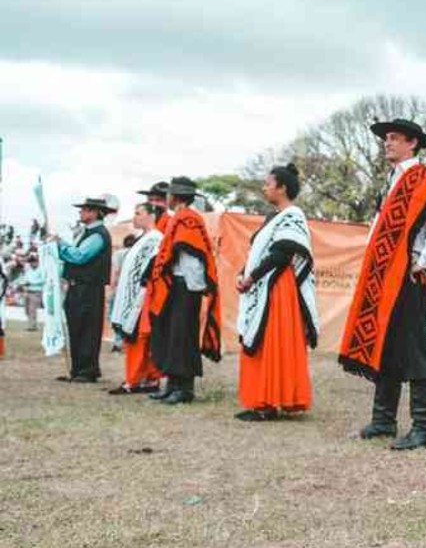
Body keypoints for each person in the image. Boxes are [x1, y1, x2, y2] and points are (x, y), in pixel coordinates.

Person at [339, 119, 426, 450]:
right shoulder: (395, 180)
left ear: (412, 143)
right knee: (386, 345)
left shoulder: (425, 181)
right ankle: (383, 420)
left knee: (413, 347)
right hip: (385, 278)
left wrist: (424, 261)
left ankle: (422, 428)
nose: (387, 143)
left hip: (406, 278)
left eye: (394, 138)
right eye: (386, 138)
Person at [234, 164, 320, 421]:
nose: (264, 188)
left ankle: (269, 401)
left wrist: (251, 277)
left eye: (267, 184)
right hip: (264, 284)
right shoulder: (274, 217)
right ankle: (263, 399)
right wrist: (244, 272)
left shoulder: (293, 215)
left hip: (277, 287)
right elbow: (259, 254)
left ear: (282, 188)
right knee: (262, 339)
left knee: (272, 341)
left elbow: (282, 254)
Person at [146, 176, 222, 404]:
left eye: (168, 194)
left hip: (186, 287)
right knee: (172, 335)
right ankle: (172, 384)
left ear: (175, 196)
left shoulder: (188, 218)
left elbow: (192, 256)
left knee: (183, 337)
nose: (166, 198)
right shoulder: (180, 217)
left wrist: (193, 290)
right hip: (177, 286)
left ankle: (184, 388)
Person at [51, 196, 117, 383]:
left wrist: (60, 244)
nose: (81, 212)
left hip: (88, 288)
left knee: (87, 327)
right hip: (78, 287)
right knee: (77, 327)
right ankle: (78, 368)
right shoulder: (88, 233)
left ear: (95, 212)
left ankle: (87, 370)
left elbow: (80, 256)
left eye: (85, 209)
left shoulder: (98, 234)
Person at [106, 204, 166, 395]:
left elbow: (149, 270)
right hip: (134, 297)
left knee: (138, 340)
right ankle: (145, 378)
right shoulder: (144, 239)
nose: (134, 217)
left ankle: (135, 380)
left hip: (141, 298)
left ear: (151, 216)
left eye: (138, 213)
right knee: (138, 340)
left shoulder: (154, 239)